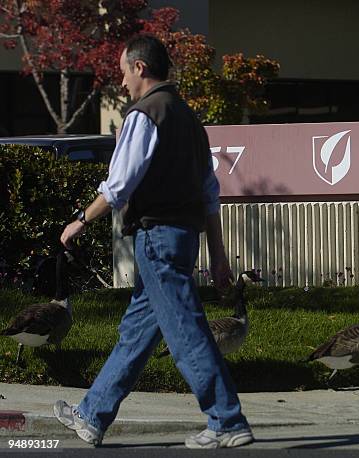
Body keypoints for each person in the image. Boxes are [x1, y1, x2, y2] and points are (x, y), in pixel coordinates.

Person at [54, 35, 253, 449]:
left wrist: (80, 219)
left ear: (140, 68)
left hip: (156, 238)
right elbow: (209, 193)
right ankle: (92, 416)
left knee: (185, 330)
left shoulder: (145, 114)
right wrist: (217, 255)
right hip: (182, 239)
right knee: (138, 330)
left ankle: (226, 420)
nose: (122, 82)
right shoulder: (188, 119)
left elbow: (119, 186)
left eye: (124, 72)